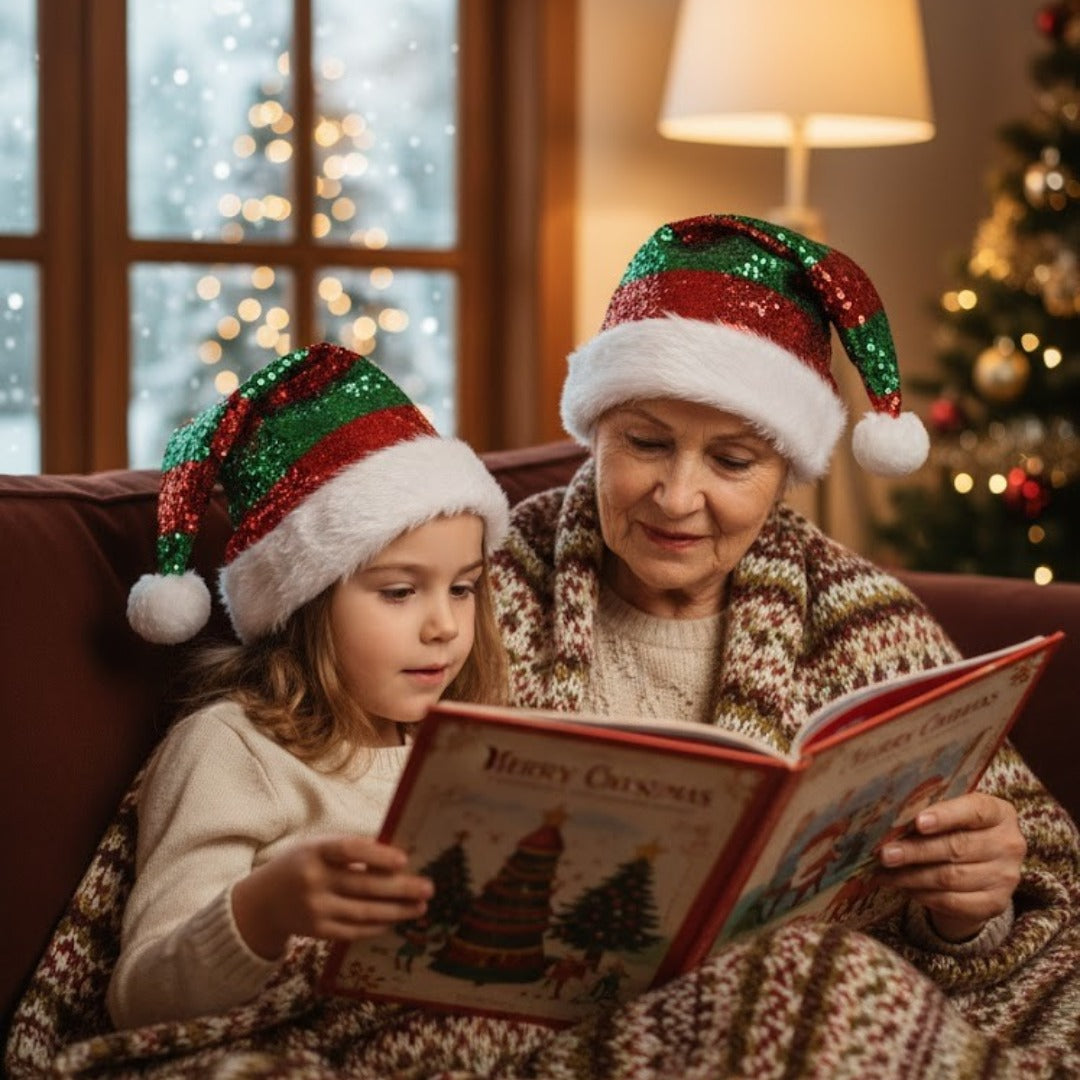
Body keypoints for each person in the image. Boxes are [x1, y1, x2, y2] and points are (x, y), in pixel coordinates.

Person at [489, 214, 1080, 1062]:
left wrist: (969, 911)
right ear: (595, 432)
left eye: (732, 462)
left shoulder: (865, 622)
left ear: (782, 477)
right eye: (646, 443)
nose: (677, 497)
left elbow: (1041, 897)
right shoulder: (478, 589)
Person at [110, 340, 512, 1027]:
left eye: (464, 588)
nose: (444, 626)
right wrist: (261, 913)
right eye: (399, 592)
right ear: (305, 603)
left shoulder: (464, 741)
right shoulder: (233, 748)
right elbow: (140, 999)